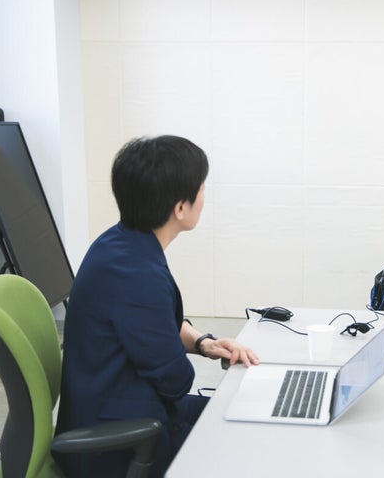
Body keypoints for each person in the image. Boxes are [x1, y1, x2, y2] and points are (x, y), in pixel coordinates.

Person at [55, 135, 259, 477]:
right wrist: (187, 357)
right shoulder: (137, 276)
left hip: (113, 408)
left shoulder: (120, 243)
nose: (204, 197)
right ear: (180, 208)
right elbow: (175, 380)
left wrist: (203, 343)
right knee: (249, 435)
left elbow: (155, 324)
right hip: (119, 441)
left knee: (242, 413)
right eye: (202, 189)